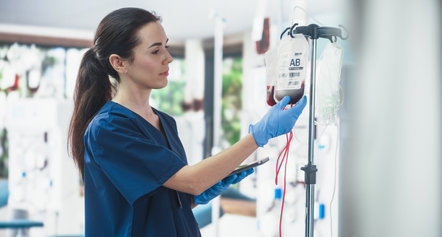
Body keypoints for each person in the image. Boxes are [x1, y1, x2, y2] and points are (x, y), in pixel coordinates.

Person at [68, 7, 307, 237]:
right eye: (155, 51)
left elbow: (167, 204)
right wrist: (259, 136)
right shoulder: (109, 129)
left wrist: (201, 193)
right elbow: (192, 180)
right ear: (119, 63)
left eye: (166, 47)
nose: (168, 58)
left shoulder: (165, 122)